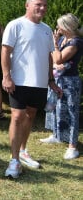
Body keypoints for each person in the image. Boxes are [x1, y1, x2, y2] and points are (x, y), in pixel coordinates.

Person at [2, 0, 62, 179]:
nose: (42, 8)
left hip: (39, 83)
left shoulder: (46, 30)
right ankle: (14, 160)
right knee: (18, 116)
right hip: (19, 81)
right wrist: (6, 76)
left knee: (31, 115)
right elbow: (5, 51)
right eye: (38, 4)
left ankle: (22, 150)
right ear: (27, 5)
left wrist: (50, 81)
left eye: (45, 5)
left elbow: (48, 57)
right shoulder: (16, 25)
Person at [40, 13, 82, 160]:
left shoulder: (76, 42)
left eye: (59, 25)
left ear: (66, 27)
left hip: (70, 82)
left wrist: (55, 44)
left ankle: (72, 147)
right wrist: (57, 53)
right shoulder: (65, 39)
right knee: (55, 107)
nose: (57, 28)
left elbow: (57, 58)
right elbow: (54, 58)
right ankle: (56, 135)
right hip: (58, 79)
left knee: (71, 112)